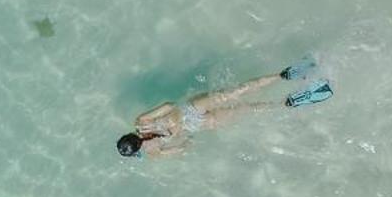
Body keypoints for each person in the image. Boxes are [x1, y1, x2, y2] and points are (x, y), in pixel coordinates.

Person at [117, 61, 333, 159]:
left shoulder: (152, 151)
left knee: (247, 109)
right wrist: (173, 121)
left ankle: (290, 102)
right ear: (129, 134)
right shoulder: (142, 121)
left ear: (136, 150)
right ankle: (284, 75)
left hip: (195, 125)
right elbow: (169, 106)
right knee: (236, 93)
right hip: (190, 110)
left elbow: (183, 148)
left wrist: (181, 136)